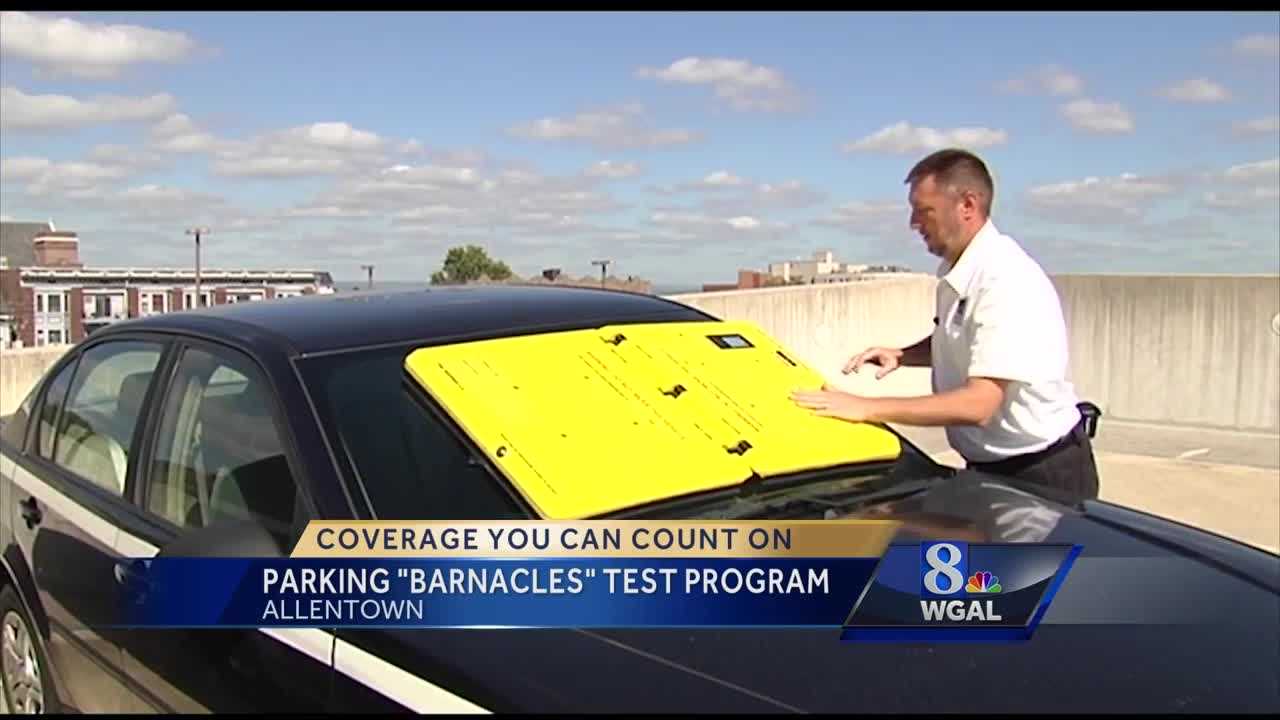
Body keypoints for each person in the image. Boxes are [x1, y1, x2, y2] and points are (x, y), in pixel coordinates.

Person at [791, 148, 1099, 500]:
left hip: (1043, 474)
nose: (913, 223)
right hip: (993, 467)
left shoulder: (1005, 280)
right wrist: (903, 355)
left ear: (967, 205)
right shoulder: (961, 272)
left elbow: (979, 405)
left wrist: (866, 407)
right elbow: (958, 337)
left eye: (924, 211)